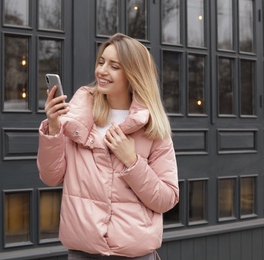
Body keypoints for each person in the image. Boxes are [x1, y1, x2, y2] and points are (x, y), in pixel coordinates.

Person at [37, 33, 179, 260]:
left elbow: (166, 200)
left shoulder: (153, 129)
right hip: (83, 253)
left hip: (135, 255)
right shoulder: (77, 120)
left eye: (114, 66)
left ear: (133, 74)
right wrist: (54, 130)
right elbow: (50, 177)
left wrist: (132, 162)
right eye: (101, 62)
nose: (102, 71)